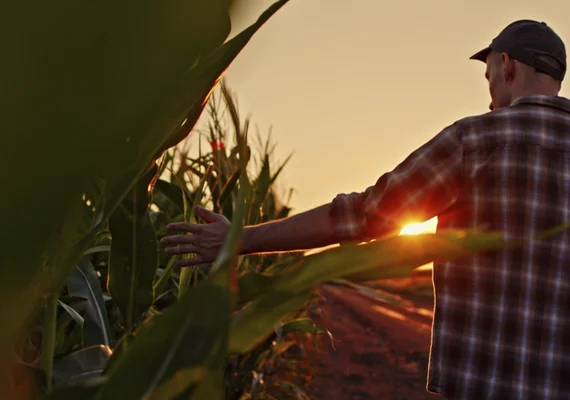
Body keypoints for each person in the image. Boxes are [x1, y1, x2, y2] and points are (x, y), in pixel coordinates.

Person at [161, 20, 570, 400]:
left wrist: (242, 239)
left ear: (506, 65)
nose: (490, 94)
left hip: (481, 383)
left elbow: (364, 215)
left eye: (489, 79)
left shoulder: (476, 139)